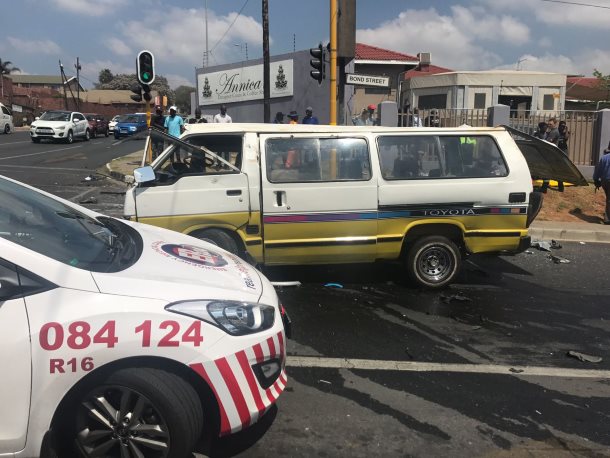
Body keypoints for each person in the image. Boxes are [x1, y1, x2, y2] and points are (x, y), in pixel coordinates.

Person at [593, 141, 610, 224]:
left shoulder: (604, 158)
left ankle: (607, 217)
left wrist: (596, 180)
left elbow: (598, 170)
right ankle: (607, 219)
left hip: (604, 181)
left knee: (608, 199)